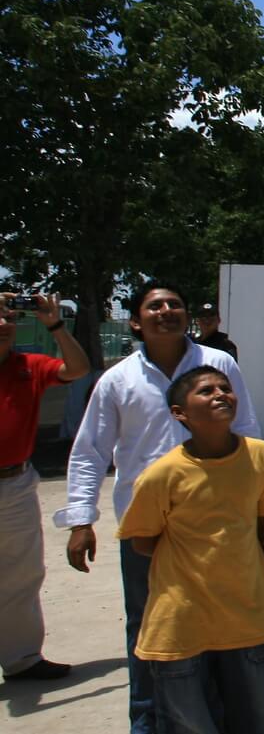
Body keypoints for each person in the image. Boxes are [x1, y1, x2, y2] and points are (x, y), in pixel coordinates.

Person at [56, 280, 261, 733]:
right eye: (155, 306)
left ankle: (214, 715)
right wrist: (80, 519)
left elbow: (247, 431)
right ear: (135, 320)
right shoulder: (117, 380)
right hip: (147, 530)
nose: (167, 311)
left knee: (218, 625)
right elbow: (91, 451)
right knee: (149, 629)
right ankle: (147, 721)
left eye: (175, 304)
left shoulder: (218, 365)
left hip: (217, 525)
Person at [118, 366, 264, 733]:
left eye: (224, 388)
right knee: (191, 724)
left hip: (247, 620)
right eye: (205, 390)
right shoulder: (161, 475)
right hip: (181, 627)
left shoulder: (261, 458)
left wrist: (261, 574)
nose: (219, 394)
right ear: (180, 413)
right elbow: (143, 540)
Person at [0, 292, 89, 682]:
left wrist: (55, 324)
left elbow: (78, 368)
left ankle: (21, 658)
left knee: (21, 573)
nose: (4, 323)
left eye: (7, 316)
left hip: (15, 483)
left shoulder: (28, 366)